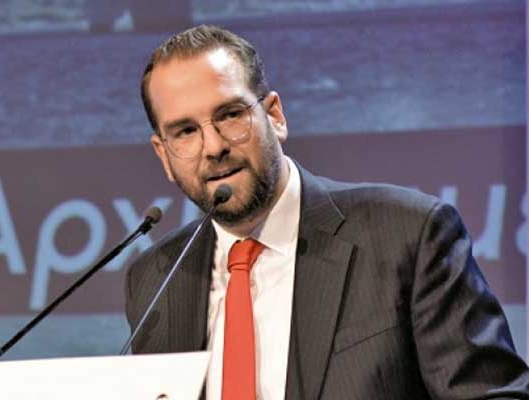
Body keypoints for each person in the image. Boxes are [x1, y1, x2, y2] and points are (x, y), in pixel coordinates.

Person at [125, 25, 529, 399]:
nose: (214, 147)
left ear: (274, 116)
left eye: (230, 115)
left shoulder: (409, 234)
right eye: (186, 132)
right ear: (164, 155)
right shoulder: (155, 278)